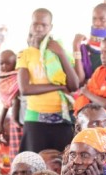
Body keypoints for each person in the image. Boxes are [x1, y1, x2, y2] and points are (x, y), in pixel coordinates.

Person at [17, 9, 79, 154]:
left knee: (63, 165)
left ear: (51, 27)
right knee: (35, 166)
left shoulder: (60, 51)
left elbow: (74, 85)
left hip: (62, 120)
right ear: (30, 25)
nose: (39, 28)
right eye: (35, 24)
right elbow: (25, 89)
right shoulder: (24, 54)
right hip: (35, 120)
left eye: (44, 25)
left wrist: (61, 53)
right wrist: (57, 87)